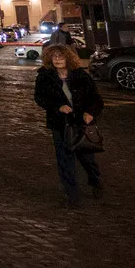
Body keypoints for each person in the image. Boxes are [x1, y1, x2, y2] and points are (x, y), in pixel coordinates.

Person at [34, 44, 103, 205]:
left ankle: (95, 181)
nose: (57, 59)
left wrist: (90, 113)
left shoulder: (81, 75)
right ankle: (72, 194)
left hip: (81, 123)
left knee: (86, 157)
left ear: (68, 58)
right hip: (60, 124)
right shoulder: (44, 76)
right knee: (64, 159)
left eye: (61, 56)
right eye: (54, 57)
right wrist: (57, 107)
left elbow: (96, 99)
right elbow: (40, 98)